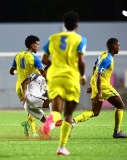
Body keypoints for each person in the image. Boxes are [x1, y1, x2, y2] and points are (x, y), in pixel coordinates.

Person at [41, 10, 87, 155]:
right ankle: (61, 147)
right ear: (76, 24)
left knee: (56, 111)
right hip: (70, 77)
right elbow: (81, 61)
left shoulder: (53, 38)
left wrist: (55, 64)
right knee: (68, 114)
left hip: (54, 77)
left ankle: (49, 121)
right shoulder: (80, 39)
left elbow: (44, 60)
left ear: (65, 24)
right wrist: (83, 75)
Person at [72, 38, 127, 139]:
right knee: (120, 105)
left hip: (98, 85)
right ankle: (117, 132)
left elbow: (95, 68)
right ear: (113, 46)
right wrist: (99, 91)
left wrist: (93, 85)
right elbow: (99, 74)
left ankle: (73, 122)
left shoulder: (102, 55)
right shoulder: (108, 59)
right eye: (118, 45)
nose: (119, 47)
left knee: (95, 112)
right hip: (103, 86)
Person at [9, 35, 45, 137]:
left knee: (30, 109)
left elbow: (11, 71)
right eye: (37, 44)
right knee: (34, 109)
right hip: (31, 86)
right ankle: (34, 132)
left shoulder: (18, 55)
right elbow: (43, 72)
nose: (38, 46)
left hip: (18, 87)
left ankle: (27, 125)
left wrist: (19, 71)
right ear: (32, 45)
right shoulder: (35, 58)